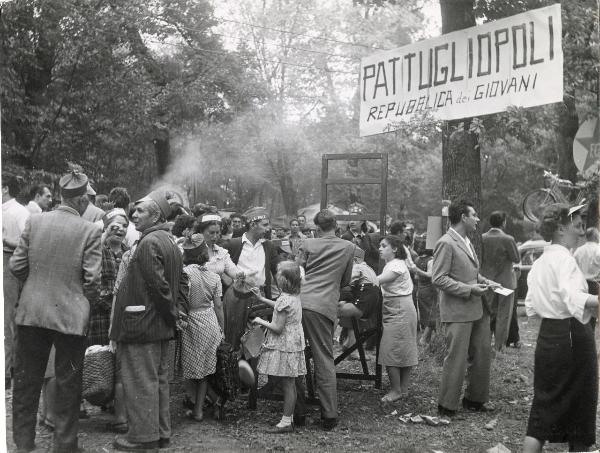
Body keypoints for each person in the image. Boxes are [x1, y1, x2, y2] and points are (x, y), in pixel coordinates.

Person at [9, 170, 101, 453]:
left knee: (26, 381)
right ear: (83, 199)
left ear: (61, 196)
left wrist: (36, 286)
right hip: (70, 318)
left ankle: (24, 445)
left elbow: (16, 266)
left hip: (31, 313)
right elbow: (93, 280)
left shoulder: (35, 221)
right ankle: (65, 445)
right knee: (67, 382)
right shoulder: (90, 230)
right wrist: (82, 300)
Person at [110, 190, 188, 452]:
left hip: (142, 324)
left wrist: (172, 314)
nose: (134, 214)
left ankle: (142, 438)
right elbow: (176, 285)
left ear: (156, 215)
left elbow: (159, 287)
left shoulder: (148, 243)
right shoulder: (168, 240)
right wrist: (174, 316)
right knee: (158, 381)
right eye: (135, 210)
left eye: (141, 211)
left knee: (141, 381)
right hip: (159, 326)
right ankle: (160, 434)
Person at [523, 203, 598, 453]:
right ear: (559, 228)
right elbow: (572, 295)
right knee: (582, 406)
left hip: (548, 335)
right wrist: (596, 301)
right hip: (572, 334)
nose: (581, 231)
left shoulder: (540, 262)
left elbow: (531, 306)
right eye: (577, 226)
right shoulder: (565, 259)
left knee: (544, 405)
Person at [432, 199, 500, 417]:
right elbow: (439, 278)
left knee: (482, 354)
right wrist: (469, 289)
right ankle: (447, 405)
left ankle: (475, 399)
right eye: (474, 215)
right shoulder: (446, 242)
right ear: (463, 217)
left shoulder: (467, 240)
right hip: (458, 310)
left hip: (477, 308)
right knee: (457, 358)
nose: (478, 219)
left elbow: (469, 273)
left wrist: (486, 281)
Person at [294, 210, 354, 430]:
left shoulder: (306, 244)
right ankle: (329, 414)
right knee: (324, 359)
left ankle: (297, 411)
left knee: (294, 355)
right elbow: (345, 281)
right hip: (324, 306)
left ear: (316, 227)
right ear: (335, 225)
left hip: (299, 303)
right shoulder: (348, 247)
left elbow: (295, 273)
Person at [252, 261, 306, 433]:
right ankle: (288, 419)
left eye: (278, 272)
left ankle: (285, 422)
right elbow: (281, 306)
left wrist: (261, 321)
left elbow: (277, 327)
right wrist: (261, 298)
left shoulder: (284, 299)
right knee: (291, 382)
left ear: (283, 280)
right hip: (294, 342)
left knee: (288, 384)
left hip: (285, 344)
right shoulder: (294, 296)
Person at [180, 234, 224, 422]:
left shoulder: (185, 273)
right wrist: (223, 329)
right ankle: (209, 403)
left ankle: (201, 407)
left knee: (193, 369)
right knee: (204, 369)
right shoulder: (214, 276)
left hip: (191, 321)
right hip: (209, 320)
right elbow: (219, 306)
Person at [377, 235, 418, 402]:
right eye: (380, 245)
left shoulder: (396, 266)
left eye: (383, 245)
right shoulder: (393, 264)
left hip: (400, 308)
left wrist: (361, 274)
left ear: (394, 249)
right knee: (402, 348)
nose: (380, 248)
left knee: (391, 348)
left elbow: (376, 281)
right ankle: (402, 388)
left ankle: (396, 390)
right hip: (399, 307)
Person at [2, 174, 30, 389]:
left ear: (4, 189)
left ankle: (9, 370)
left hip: (10, 264)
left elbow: (26, 242)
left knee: (8, 317)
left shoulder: (20, 212)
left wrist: (5, 241)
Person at [88, 209, 130, 348]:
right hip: (99, 319)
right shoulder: (99, 249)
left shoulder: (129, 253)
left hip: (122, 321)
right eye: (116, 225)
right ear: (106, 227)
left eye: (125, 226)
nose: (121, 229)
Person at [481, 211, 520, 352]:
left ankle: (484, 344)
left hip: (487, 282)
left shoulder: (482, 238)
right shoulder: (508, 239)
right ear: (503, 222)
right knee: (504, 314)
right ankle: (499, 347)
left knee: (487, 313)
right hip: (505, 282)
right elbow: (516, 259)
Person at [197, 214, 243, 288]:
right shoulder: (192, 250)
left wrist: (246, 277)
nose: (215, 236)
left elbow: (234, 271)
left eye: (217, 232)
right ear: (201, 231)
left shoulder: (221, 252)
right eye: (211, 232)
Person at [413, 235, 438, 346]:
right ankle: (425, 339)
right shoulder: (431, 260)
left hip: (420, 289)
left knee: (426, 314)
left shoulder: (417, 259)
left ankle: (426, 338)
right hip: (430, 289)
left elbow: (416, 277)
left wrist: (417, 271)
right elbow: (430, 275)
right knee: (431, 313)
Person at [573, 226, 600, 295]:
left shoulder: (578, 251)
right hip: (596, 286)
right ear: (596, 237)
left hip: (580, 286)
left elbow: (573, 268)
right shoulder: (598, 250)